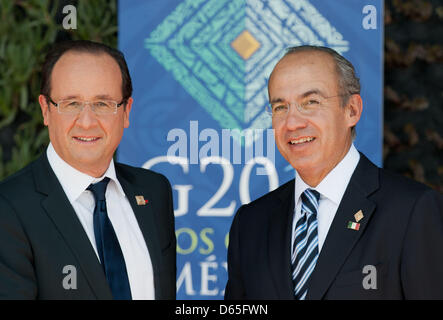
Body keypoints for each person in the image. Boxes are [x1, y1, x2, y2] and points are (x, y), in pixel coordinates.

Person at [225, 45, 443, 300]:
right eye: (280, 107)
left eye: (311, 102)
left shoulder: (412, 210)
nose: (293, 123)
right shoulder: (251, 223)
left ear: (352, 110)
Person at [0, 40, 176, 300]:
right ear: (45, 110)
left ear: (126, 111)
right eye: (71, 103)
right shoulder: (8, 209)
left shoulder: (153, 191)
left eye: (103, 104)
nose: (86, 122)